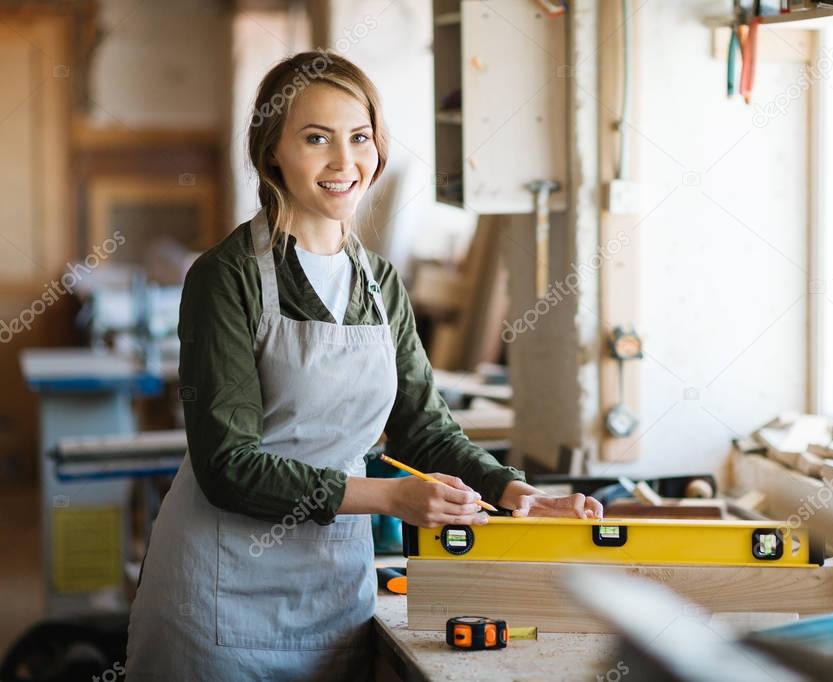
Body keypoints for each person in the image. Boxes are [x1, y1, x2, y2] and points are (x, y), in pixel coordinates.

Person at [124, 51, 602, 681]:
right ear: (273, 152)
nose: (344, 162)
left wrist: (514, 494)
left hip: (332, 593)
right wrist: (393, 497)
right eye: (316, 138)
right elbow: (227, 467)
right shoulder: (226, 276)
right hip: (220, 594)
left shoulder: (378, 283)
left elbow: (425, 429)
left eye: (360, 138)